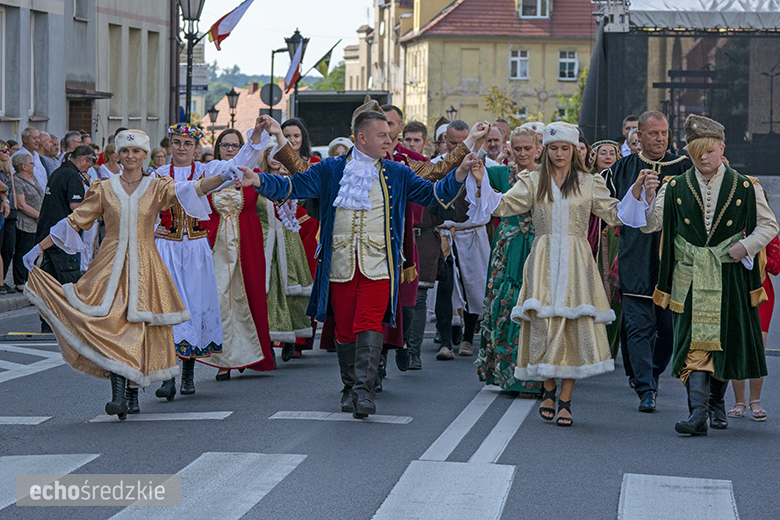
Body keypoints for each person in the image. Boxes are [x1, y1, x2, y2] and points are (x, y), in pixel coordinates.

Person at [246, 108, 474, 419]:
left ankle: (365, 391)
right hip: (339, 264)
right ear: (362, 137)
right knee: (344, 330)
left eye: (390, 136)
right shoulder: (330, 169)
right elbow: (293, 186)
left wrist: (459, 173)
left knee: (369, 324)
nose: (389, 141)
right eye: (383, 136)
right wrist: (257, 179)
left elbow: (434, 196)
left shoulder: (397, 172)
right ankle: (349, 385)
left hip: (379, 265)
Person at [22, 129, 245, 419]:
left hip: (146, 265)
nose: (130, 156)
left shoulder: (157, 186)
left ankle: (130, 392)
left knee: (138, 327)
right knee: (114, 323)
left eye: (136, 151)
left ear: (144, 155)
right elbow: (75, 221)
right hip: (110, 265)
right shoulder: (103, 188)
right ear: (117, 154)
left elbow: (191, 190)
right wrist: (37, 247)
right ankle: (118, 394)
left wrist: (223, 178)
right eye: (125, 151)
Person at [469, 121, 650, 426]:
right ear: (546, 150)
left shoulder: (588, 181)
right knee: (542, 324)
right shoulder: (532, 180)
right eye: (553, 148)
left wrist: (637, 191)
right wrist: (479, 180)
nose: (559, 153)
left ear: (574, 150)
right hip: (542, 258)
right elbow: (503, 205)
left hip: (577, 260)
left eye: (565, 148)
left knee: (572, 326)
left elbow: (615, 213)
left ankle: (565, 399)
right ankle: (548, 389)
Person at [621, 114, 778, 436]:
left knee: (721, 343)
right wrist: (648, 198)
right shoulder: (675, 185)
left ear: (721, 149)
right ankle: (697, 413)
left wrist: (746, 246)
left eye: (709, 150)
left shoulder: (746, 185)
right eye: (696, 151)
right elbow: (651, 225)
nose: (703, 157)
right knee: (692, 344)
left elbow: (769, 225)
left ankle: (716, 402)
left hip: (728, 275)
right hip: (688, 276)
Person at [153, 120, 269, 400]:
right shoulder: (157, 173)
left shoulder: (207, 170)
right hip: (167, 247)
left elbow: (238, 164)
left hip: (196, 247)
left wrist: (254, 135)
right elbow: (146, 206)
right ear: (169, 146)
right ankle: (169, 376)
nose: (182, 148)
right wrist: (151, 227)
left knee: (194, 305)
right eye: (177, 143)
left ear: (196, 148)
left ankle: (189, 371)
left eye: (188, 144)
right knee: (168, 307)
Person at [606, 111, 693, 413]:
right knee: (637, 326)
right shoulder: (622, 168)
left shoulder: (685, 167)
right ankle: (645, 387)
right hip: (635, 255)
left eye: (664, 133)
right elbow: (606, 203)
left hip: (673, 258)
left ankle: (652, 372)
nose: (660, 138)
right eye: (653, 133)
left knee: (667, 328)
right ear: (638, 136)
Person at [202, 128, 275, 380]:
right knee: (222, 300)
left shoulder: (253, 174)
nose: (230, 149)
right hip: (217, 244)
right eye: (225, 144)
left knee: (250, 297)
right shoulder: (209, 173)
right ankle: (225, 359)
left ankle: (252, 353)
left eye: (235, 145)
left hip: (247, 242)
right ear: (218, 147)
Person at [476, 126, 541, 395]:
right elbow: (471, 172)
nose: (523, 153)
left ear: (538, 148)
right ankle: (505, 374)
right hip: (508, 246)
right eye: (518, 148)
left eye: (528, 148)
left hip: (539, 246)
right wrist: (477, 148)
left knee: (536, 305)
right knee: (505, 303)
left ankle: (536, 376)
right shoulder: (500, 173)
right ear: (509, 149)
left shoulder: (549, 175)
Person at [34, 145, 95, 331]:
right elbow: (76, 207)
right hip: (62, 238)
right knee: (69, 281)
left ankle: (48, 323)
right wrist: (93, 203)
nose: (89, 168)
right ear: (83, 159)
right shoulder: (72, 176)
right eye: (90, 163)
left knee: (50, 281)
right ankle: (75, 324)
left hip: (48, 234)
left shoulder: (59, 172)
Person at [279, 117, 320, 359]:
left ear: (303, 139)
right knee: (281, 282)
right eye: (288, 136)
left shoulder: (313, 163)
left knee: (307, 284)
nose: (292, 140)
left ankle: (302, 338)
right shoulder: (272, 161)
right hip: (280, 228)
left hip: (308, 228)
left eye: (296, 136)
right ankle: (283, 335)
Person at [728, 234, 780, 421]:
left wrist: (753, 253)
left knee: (758, 347)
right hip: (735, 288)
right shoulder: (733, 224)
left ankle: (755, 401)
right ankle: (739, 402)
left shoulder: (768, 231)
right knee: (736, 346)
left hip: (761, 292)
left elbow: (776, 267)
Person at [588, 140, 623, 359]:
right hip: (594, 237)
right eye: (603, 153)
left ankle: (610, 345)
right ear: (595, 157)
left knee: (613, 288)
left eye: (612, 153)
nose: (608, 156)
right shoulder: (590, 180)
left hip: (614, 236)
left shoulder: (620, 176)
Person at [12, 153, 44, 292]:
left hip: (37, 222)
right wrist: (39, 215)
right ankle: (20, 281)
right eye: (31, 163)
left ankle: (31, 279)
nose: (34, 165)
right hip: (26, 222)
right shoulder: (17, 180)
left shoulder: (33, 178)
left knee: (34, 252)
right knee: (23, 251)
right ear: (24, 166)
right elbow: (21, 205)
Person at [0, 141, 16, 293]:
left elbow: (11, 188)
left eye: (8, 150)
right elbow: (3, 188)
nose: (7, 152)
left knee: (8, 248)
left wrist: (14, 205)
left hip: (11, 209)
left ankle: (2, 280)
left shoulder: (7, 168)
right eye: (4, 150)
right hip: (2, 211)